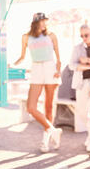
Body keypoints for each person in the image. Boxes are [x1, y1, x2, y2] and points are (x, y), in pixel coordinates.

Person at [14, 13, 63, 153]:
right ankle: (54, 131)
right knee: (31, 107)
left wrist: (58, 70)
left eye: (45, 21)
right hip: (36, 68)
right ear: (35, 22)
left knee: (48, 106)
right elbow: (22, 57)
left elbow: (59, 58)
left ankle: (45, 141)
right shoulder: (26, 37)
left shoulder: (52, 35)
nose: (44, 23)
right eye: (41, 21)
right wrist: (11, 65)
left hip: (50, 68)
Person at [69, 24, 90, 156]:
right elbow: (72, 65)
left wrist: (86, 61)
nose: (84, 38)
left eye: (86, 35)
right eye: (81, 35)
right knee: (82, 112)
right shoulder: (77, 48)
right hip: (82, 83)